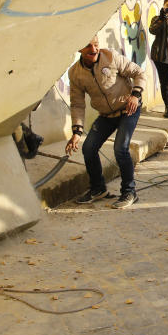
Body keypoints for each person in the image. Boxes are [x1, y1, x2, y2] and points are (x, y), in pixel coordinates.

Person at [67, 36, 145, 209]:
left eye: (95, 45)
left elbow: (138, 73)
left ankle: (129, 192)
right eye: (88, 46)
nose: (93, 50)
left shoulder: (111, 57)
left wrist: (136, 95)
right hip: (106, 115)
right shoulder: (75, 73)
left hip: (128, 109)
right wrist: (76, 132)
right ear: (79, 49)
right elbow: (77, 104)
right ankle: (98, 188)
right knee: (88, 148)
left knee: (120, 148)